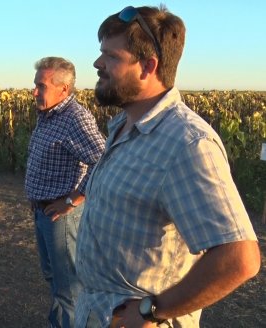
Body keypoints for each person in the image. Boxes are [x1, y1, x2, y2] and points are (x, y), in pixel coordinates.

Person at [75, 5, 261, 328]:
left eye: (112, 56)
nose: (97, 63)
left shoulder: (186, 143)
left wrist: (151, 310)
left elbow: (240, 257)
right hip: (98, 310)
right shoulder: (123, 126)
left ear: (149, 66)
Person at [25, 56, 106, 327]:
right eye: (35, 84)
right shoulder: (48, 115)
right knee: (55, 278)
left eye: (41, 86)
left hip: (62, 216)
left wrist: (73, 199)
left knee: (69, 287)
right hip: (43, 210)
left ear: (64, 89)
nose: (35, 91)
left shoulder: (74, 118)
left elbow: (103, 160)